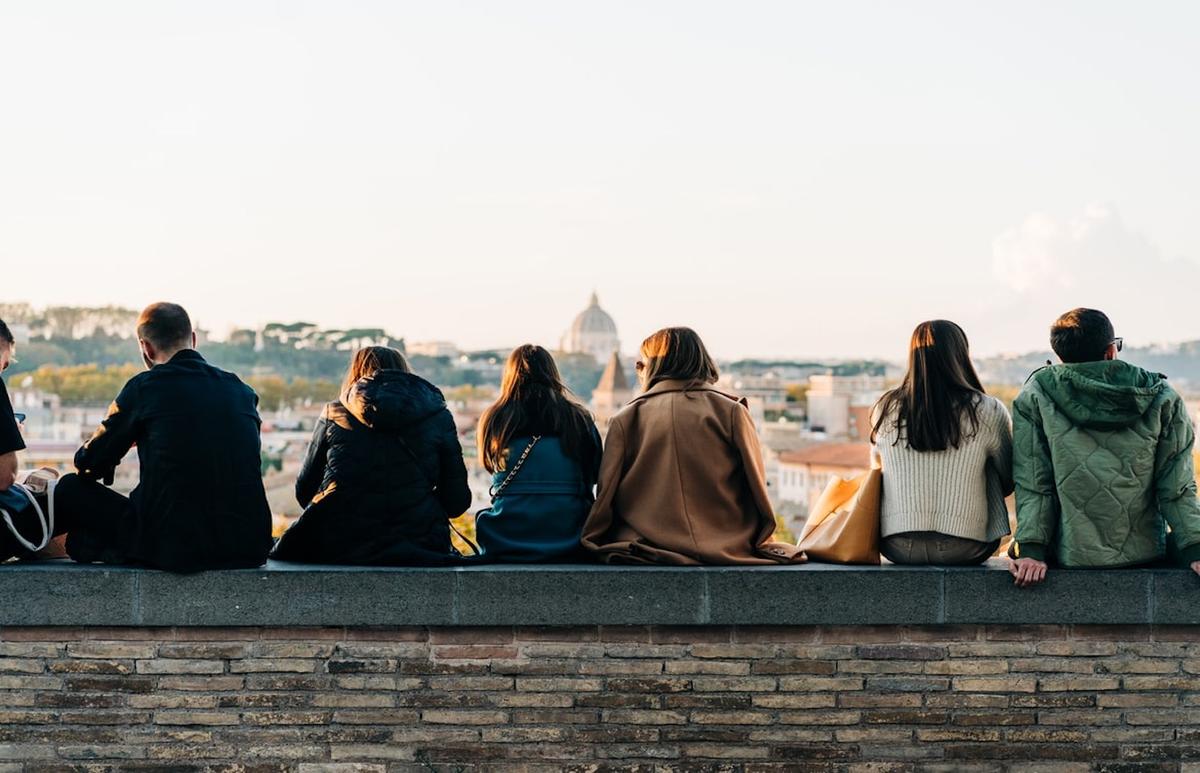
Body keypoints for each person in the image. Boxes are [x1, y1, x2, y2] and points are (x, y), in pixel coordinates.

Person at [53, 302, 274, 572]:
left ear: (145, 348)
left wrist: (127, 439)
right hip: (249, 545)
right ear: (193, 340)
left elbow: (87, 464)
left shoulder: (146, 388)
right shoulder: (241, 390)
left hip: (176, 547)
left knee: (67, 488)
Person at [1010, 308, 1200, 587]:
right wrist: (1194, 548)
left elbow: (1034, 481)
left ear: (1061, 357)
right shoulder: (1162, 396)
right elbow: (1177, 485)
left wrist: (1031, 550)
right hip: (1146, 551)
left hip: (1068, 552)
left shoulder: (1036, 395)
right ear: (1111, 351)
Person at [582, 327, 802, 565]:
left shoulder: (626, 418)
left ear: (652, 368)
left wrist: (593, 539)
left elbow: (605, 495)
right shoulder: (731, 412)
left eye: (640, 365)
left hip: (646, 545)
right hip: (728, 542)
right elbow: (756, 487)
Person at [270, 346, 471, 565]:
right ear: (404, 372)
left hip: (337, 543)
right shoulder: (438, 415)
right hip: (419, 544)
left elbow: (304, 492)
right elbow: (456, 502)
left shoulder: (334, 414)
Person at [871, 320, 1013, 565]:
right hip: (965, 545)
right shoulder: (987, 409)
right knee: (987, 463)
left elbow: (876, 472)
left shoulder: (885, 407)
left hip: (895, 546)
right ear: (961, 355)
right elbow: (1009, 478)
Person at [473, 344, 602, 562]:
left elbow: (489, 464)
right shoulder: (578, 419)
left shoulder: (495, 418)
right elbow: (596, 473)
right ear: (553, 374)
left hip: (507, 535)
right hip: (570, 533)